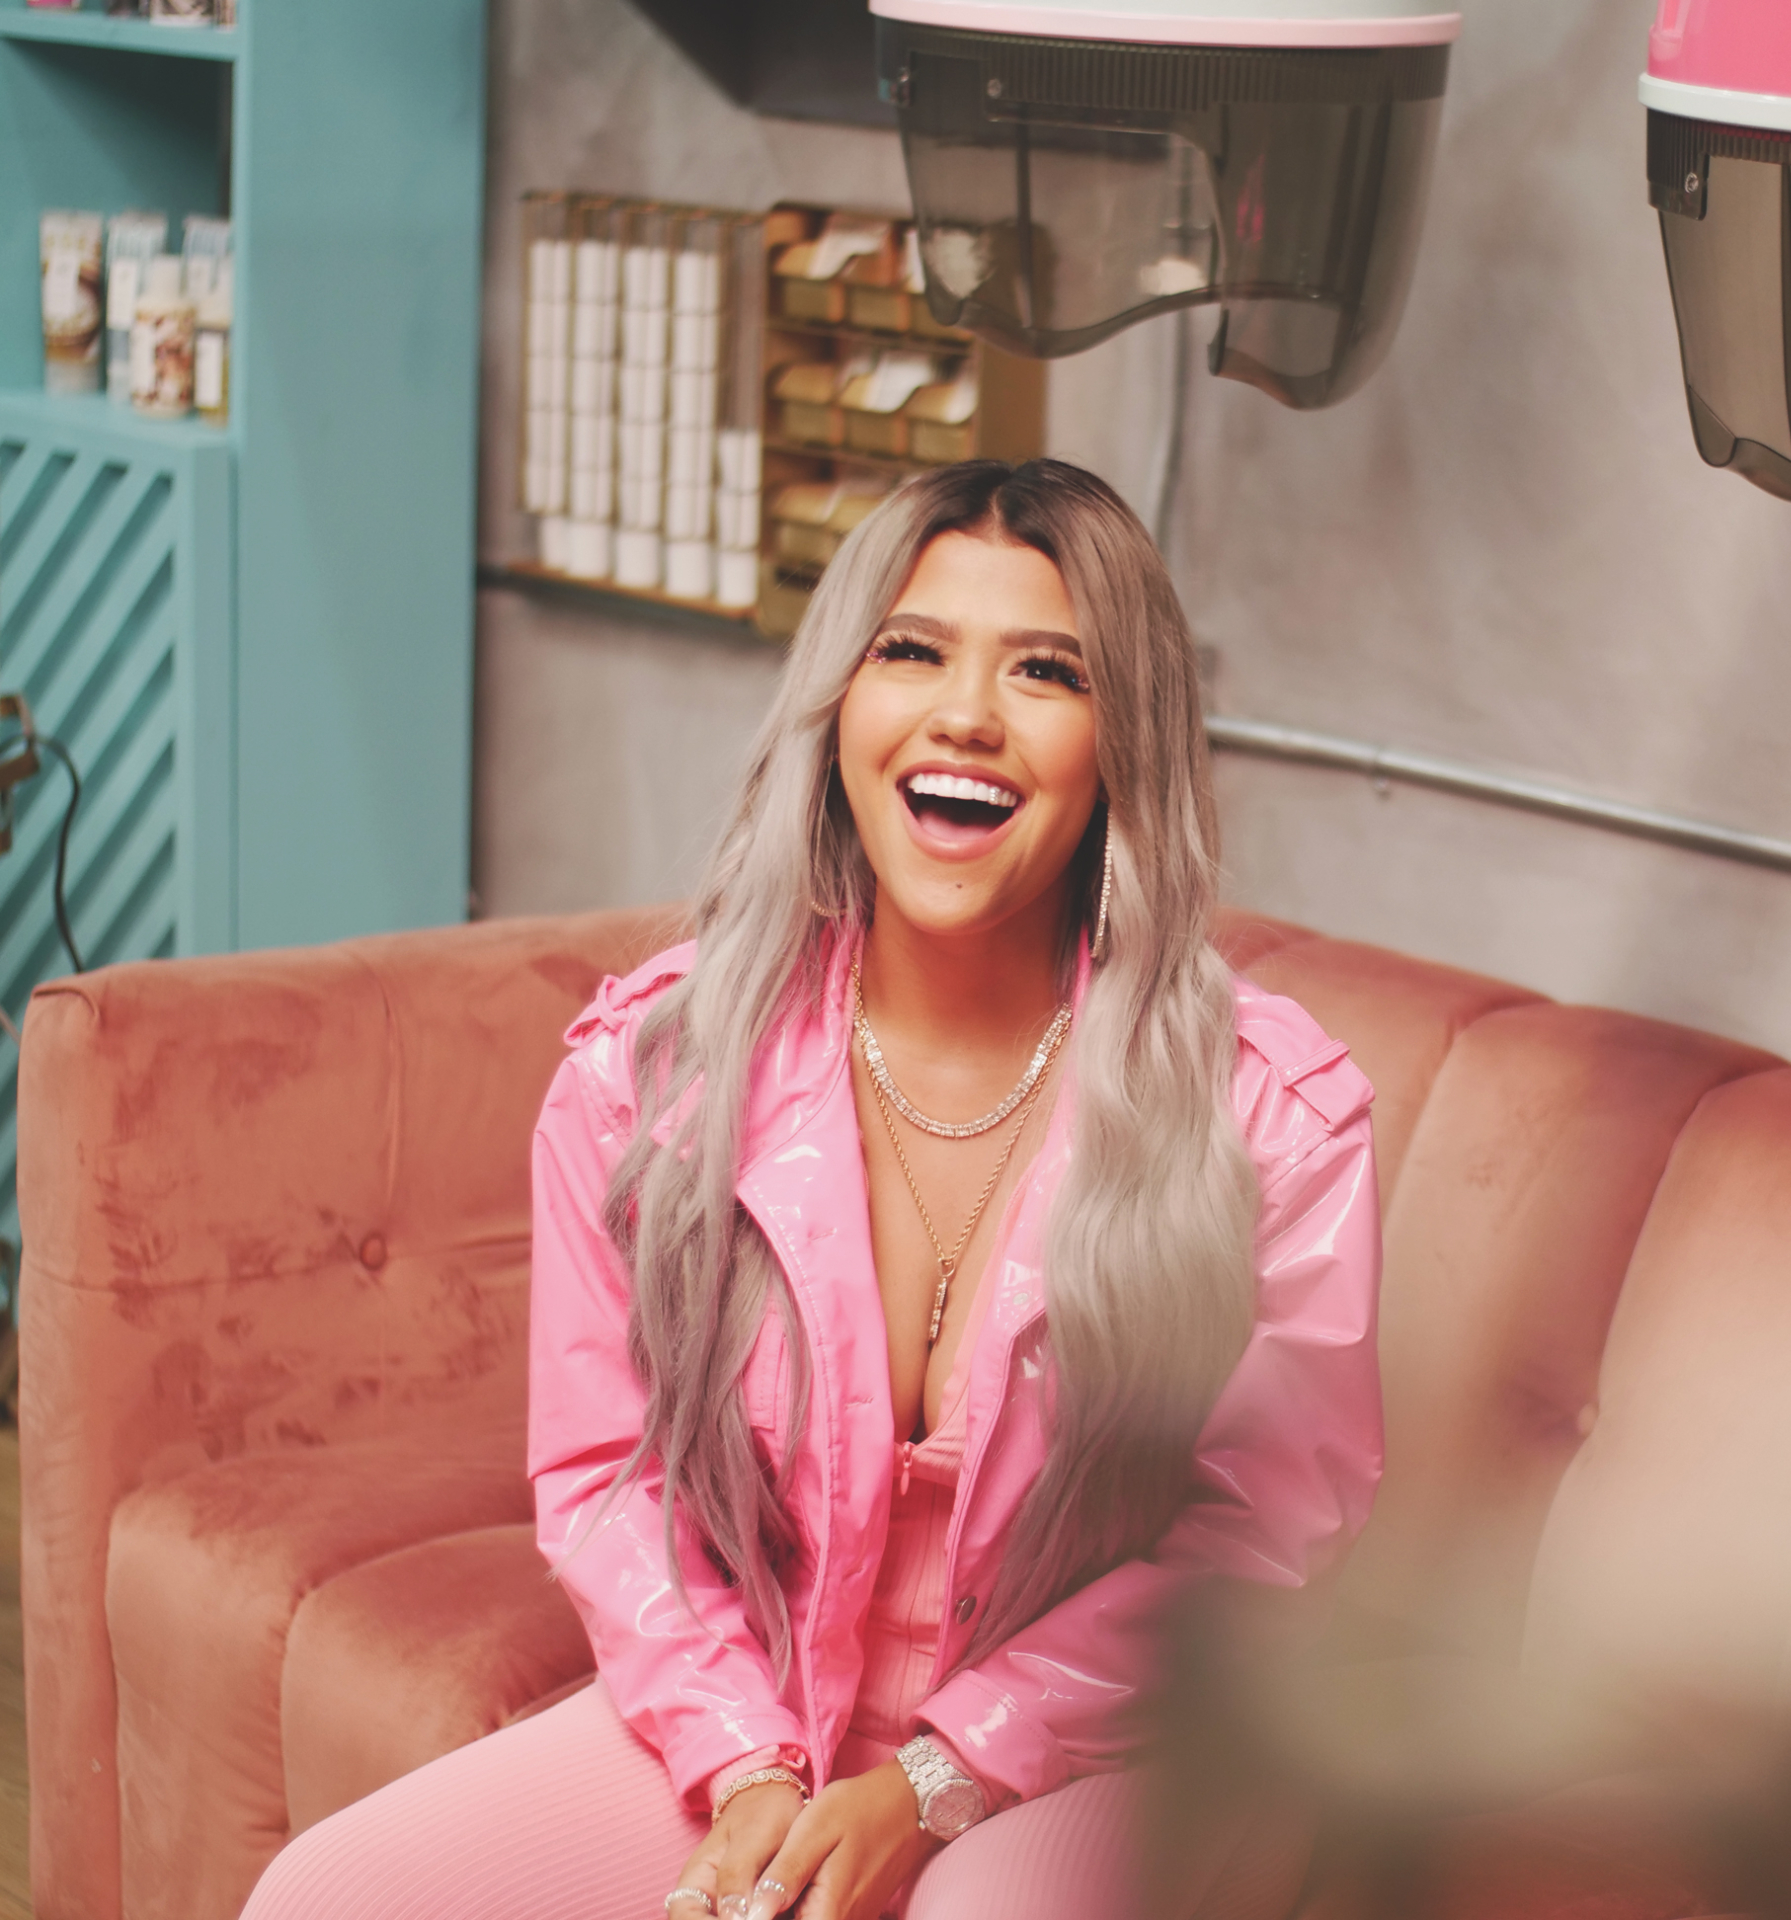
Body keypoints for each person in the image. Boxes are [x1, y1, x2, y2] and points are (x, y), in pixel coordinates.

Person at [242, 460, 1384, 1920]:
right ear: (839, 703)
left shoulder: (1271, 1122)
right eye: (911, 650)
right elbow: (605, 1479)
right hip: (766, 1709)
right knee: (324, 1899)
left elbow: (1259, 1547)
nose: (966, 714)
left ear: (1126, 744)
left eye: (1047, 671)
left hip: (1103, 1748)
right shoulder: (653, 1076)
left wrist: (938, 1778)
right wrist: (748, 1764)